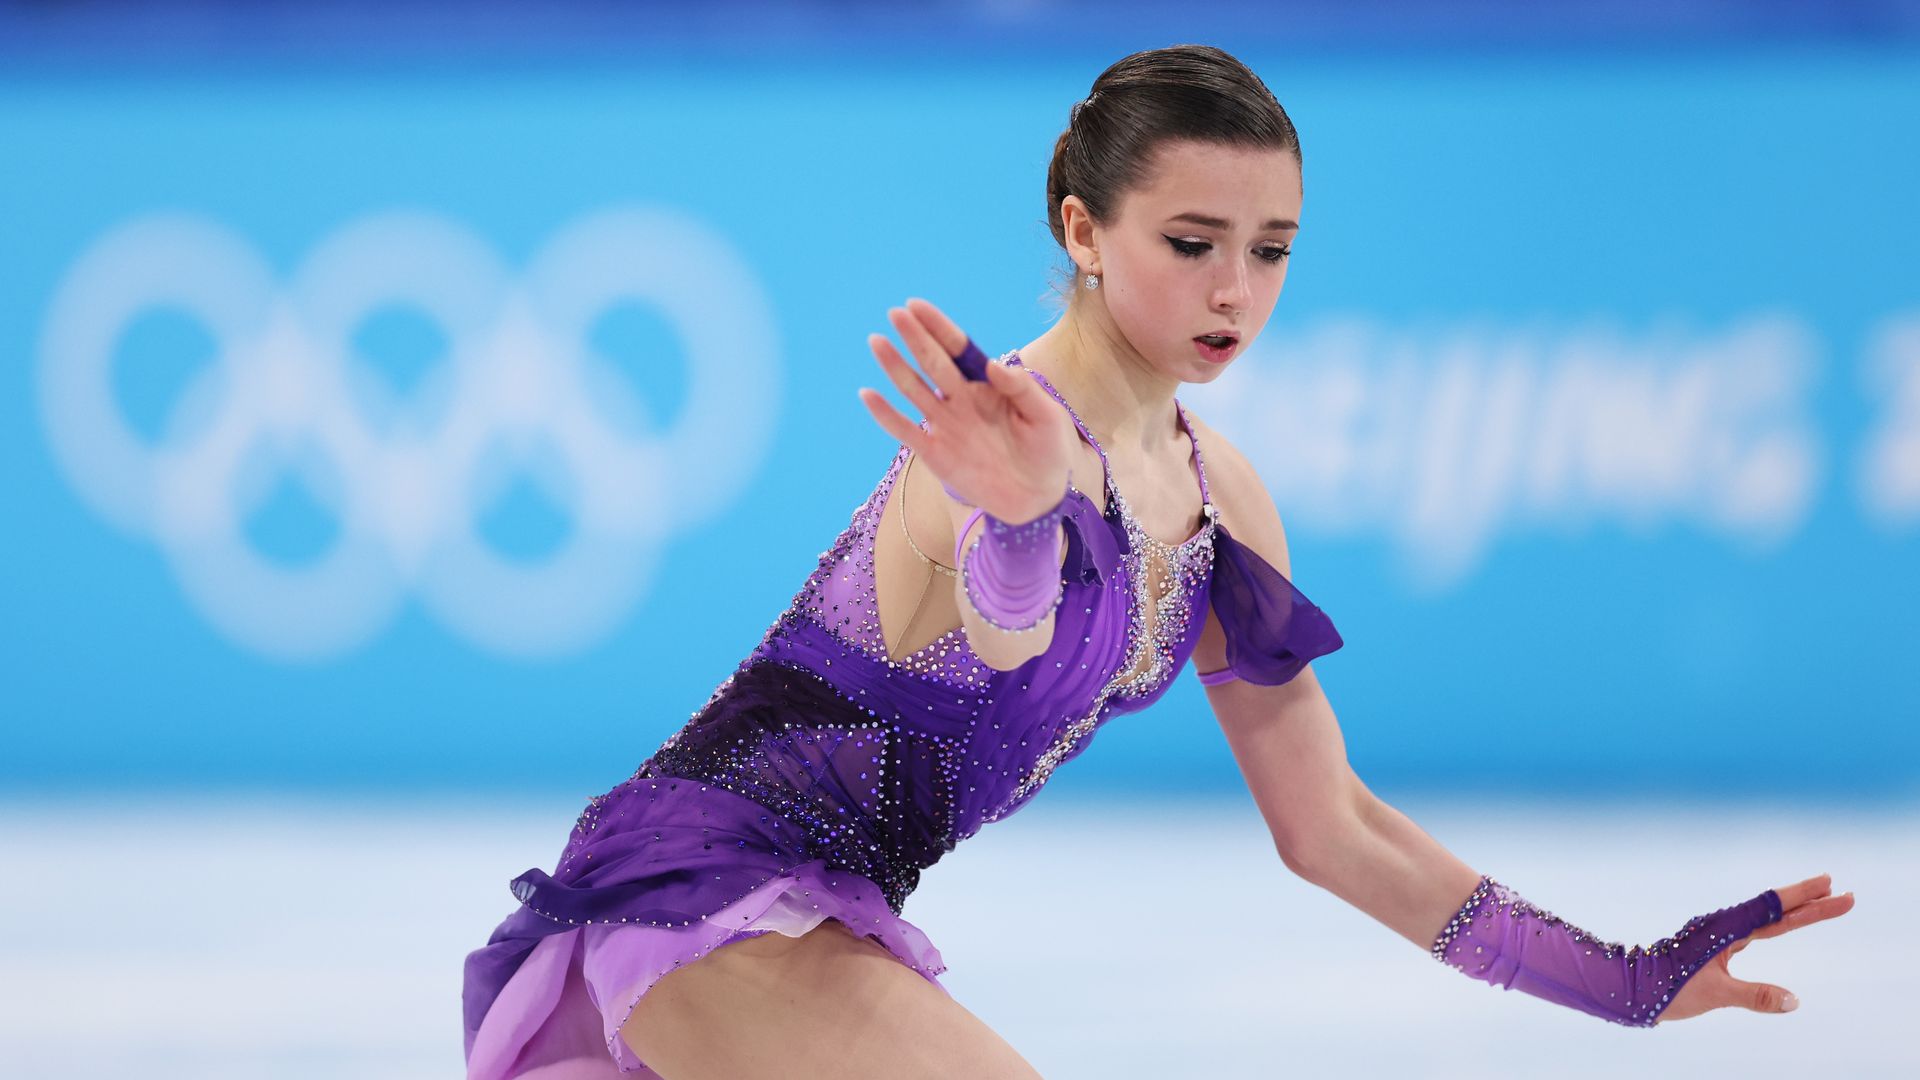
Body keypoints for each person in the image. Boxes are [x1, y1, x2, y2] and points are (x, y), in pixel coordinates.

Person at [461, 44, 1853, 1079]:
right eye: (1191, 244)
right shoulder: (989, 431)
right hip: (706, 893)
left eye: (1271, 249)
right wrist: (1018, 524)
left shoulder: (1222, 504)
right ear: (1084, 230)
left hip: (820, 922)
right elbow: (1005, 638)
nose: (1235, 291)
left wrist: (1622, 983)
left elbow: (1335, 831)